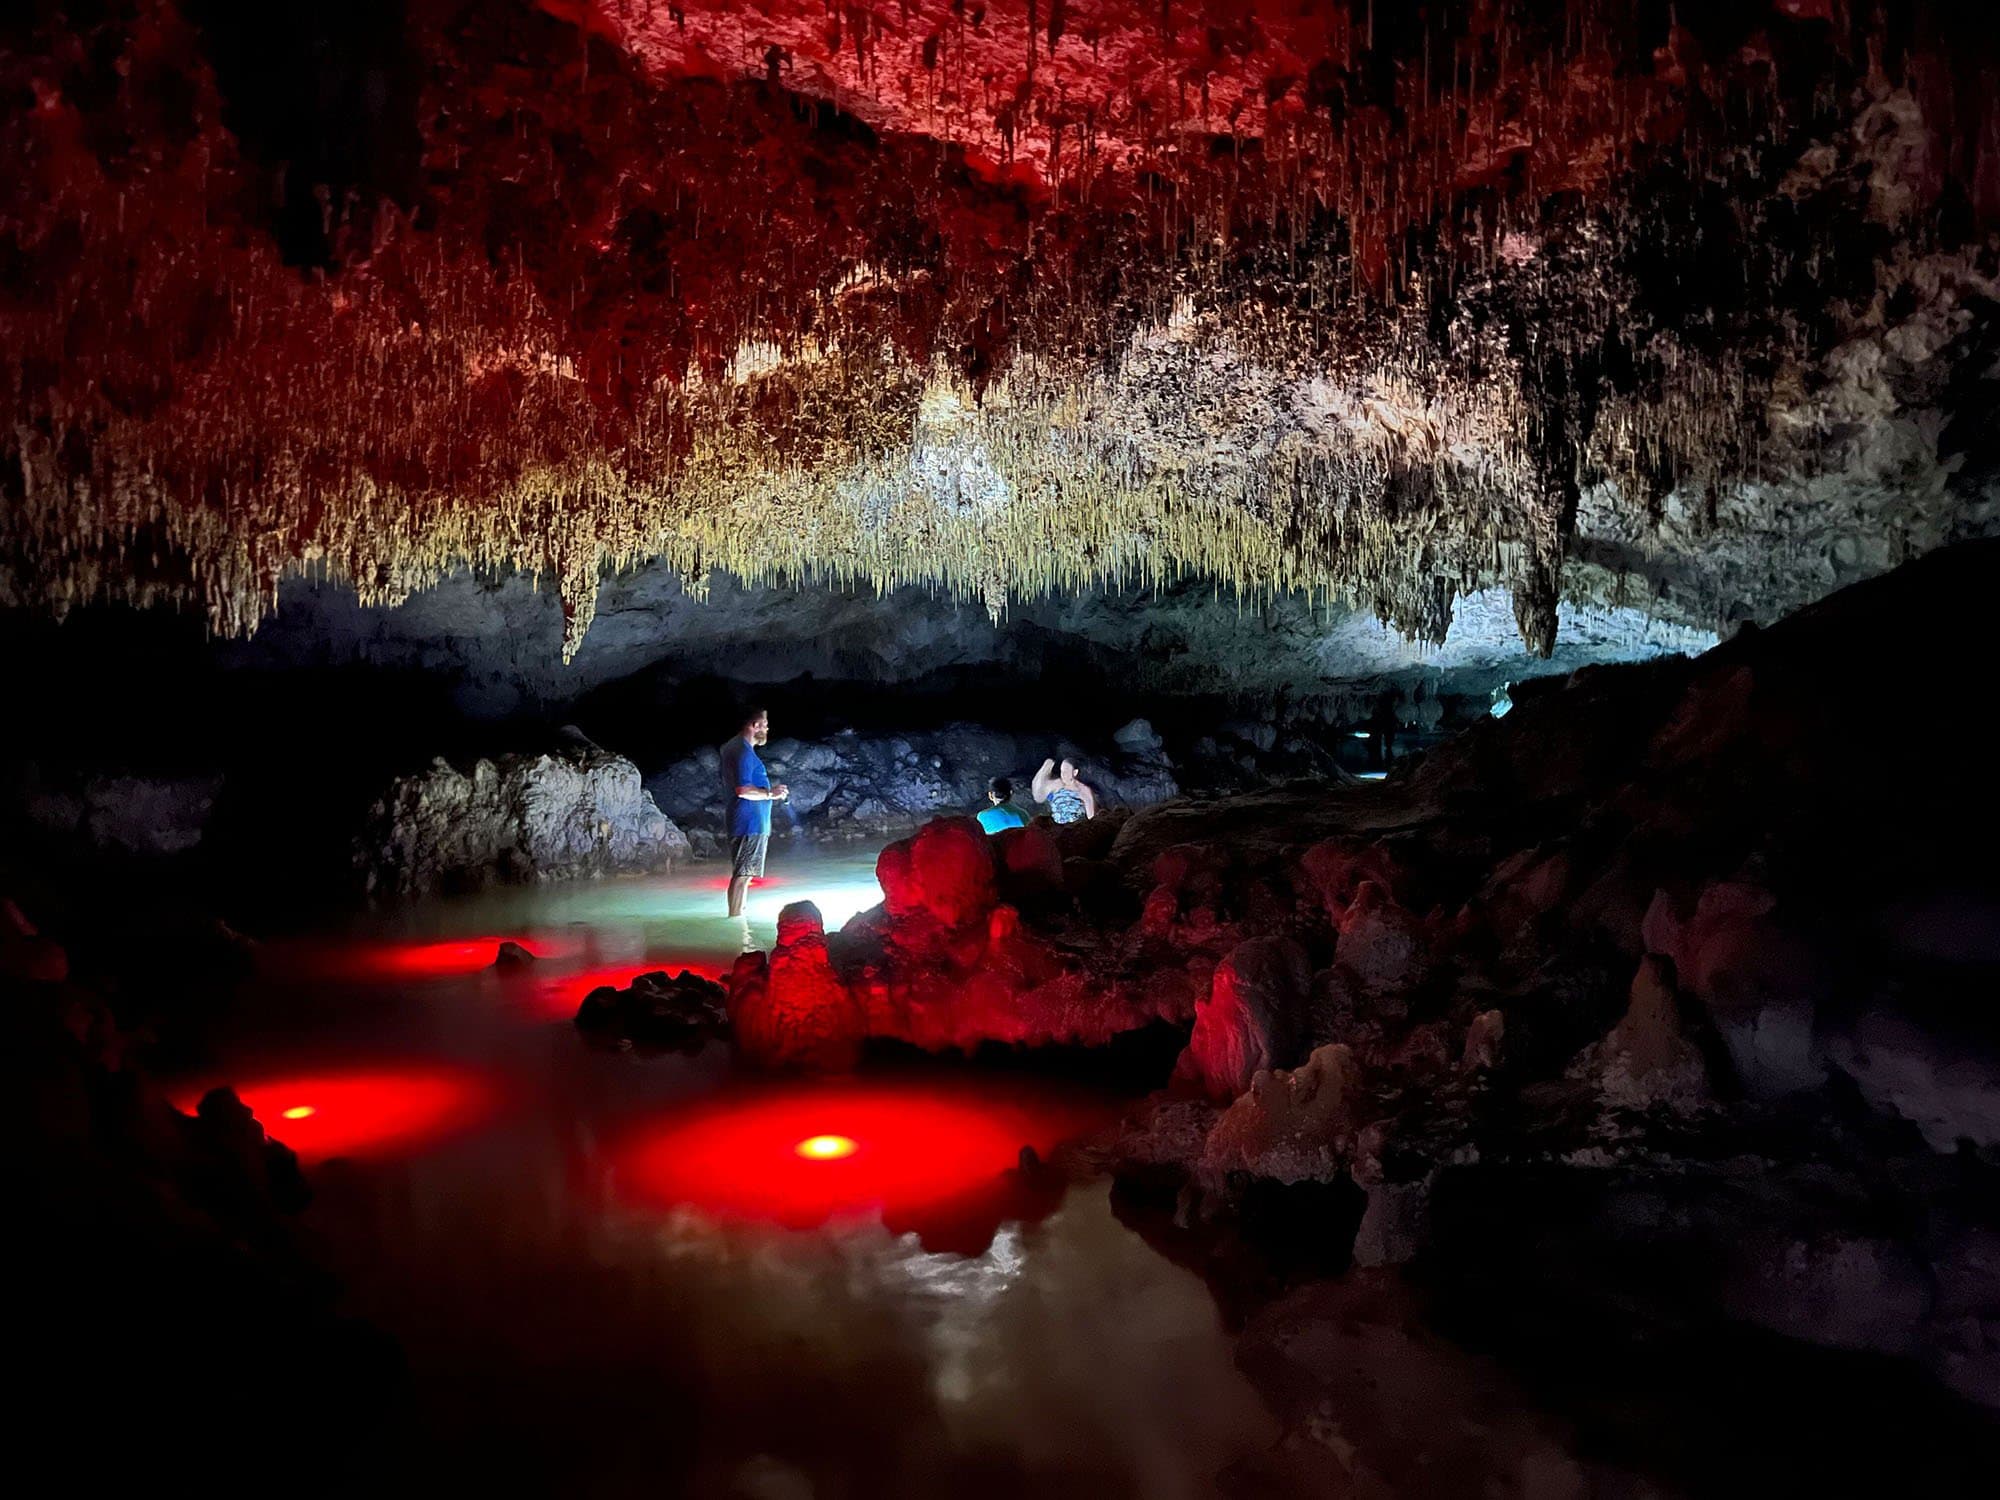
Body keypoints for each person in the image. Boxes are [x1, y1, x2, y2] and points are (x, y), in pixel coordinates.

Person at [719, 708, 788, 918]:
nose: (767, 728)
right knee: (743, 875)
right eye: (765, 724)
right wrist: (771, 793)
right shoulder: (743, 751)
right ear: (754, 725)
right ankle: (736, 922)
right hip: (750, 823)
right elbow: (743, 790)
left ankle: (738, 916)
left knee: (744, 875)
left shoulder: (732, 748)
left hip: (746, 821)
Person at [1032, 756, 1096, 824]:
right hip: (1056, 826)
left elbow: (1091, 818)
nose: (1063, 774)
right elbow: (1038, 797)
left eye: (1066, 772)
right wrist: (1046, 767)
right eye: (1061, 771)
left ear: (1075, 772)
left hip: (1073, 827)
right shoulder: (1057, 784)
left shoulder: (1083, 790)